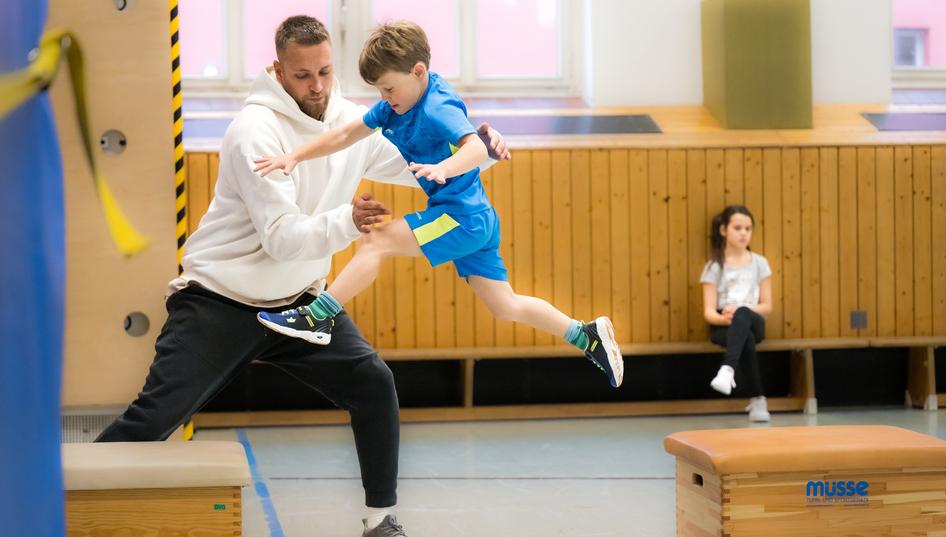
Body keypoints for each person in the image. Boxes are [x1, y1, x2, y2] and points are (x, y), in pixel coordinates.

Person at [95, 15, 510, 537]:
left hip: (299, 306)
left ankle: (379, 521)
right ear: (278, 70)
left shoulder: (353, 121)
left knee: (373, 384)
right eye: (302, 75)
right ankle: (60, 504)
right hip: (221, 300)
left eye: (325, 72)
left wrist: (485, 150)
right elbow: (282, 239)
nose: (317, 86)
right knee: (154, 418)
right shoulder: (254, 132)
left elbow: (419, 164)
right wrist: (350, 221)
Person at [254, 21, 624, 388]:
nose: (385, 97)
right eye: (379, 90)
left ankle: (318, 316)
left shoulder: (436, 107)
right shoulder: (396, 105)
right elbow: (347, 134)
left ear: (418, 72)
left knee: (377, 240)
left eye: (389, 88)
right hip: (477, 217)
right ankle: (586, 335)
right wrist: (296, 156)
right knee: (505, 305)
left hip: (460, 217)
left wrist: (443, 168)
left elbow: (475, 148)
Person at [699, 205, 773, 422]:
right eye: (738, 228)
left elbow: (767, 306)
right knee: (744, 336)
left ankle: (727, 368)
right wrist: (725, 318)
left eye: (748, 229)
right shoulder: (714, 267)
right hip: (724, 324)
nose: (743, 233)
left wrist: (742, 311)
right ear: (724, 230)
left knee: (744, 316)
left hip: (753, 319)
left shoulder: (760, 263)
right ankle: (758, 400)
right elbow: (708, 312)